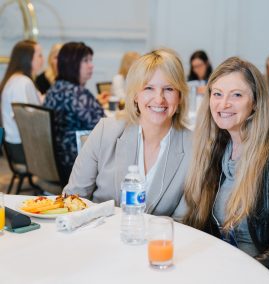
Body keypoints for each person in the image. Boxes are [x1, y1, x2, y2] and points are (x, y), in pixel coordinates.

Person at [183, 57, 269, 282]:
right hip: (224, 262)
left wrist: (237, 273)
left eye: (236, 95)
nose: (223, 104)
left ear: (256, 102)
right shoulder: (216, 149)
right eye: (217, 94)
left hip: (263, 270)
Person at [63, 49, 192, 220]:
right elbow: (74, 198)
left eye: (168, 89)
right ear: (135, 95)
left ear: (180, 96)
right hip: (98, 239)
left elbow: (184, 223)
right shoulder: (106, 131)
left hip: (159, 244)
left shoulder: (195, 148)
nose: (159, 99)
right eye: (149, 88)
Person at [43, 42, 105, 184]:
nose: (91, 65)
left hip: (56, 161)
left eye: (91, 60)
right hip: (74, 163)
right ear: (72, 64)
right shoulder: (76, 93)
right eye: (85, 61)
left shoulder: (56, 88)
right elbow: (103, 127)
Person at [0, 39, 44, 163]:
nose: (43, 59)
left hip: (16, 145)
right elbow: (24, 117)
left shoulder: (16, 79)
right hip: (22, 148)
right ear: (28, 58)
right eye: (39, 55)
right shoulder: (22, 82)